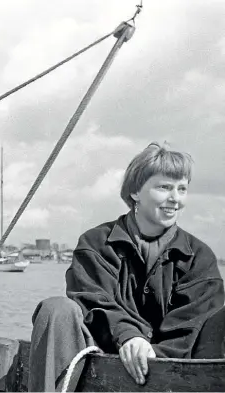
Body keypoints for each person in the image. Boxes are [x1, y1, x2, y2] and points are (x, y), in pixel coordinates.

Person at [28, 142, 225, 391]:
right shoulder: (95, 244)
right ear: (135, 193)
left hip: (176, 372)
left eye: (182, 189)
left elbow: (197, 319)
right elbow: (92, 301)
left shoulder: (199, 256)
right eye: (164, 187)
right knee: (56, 309)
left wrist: (149, 356)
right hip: (101, 359)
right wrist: (128, 335)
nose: (175, 199)